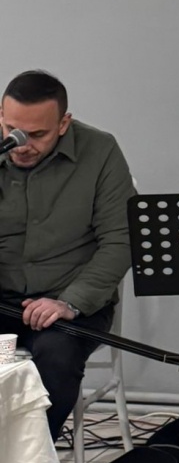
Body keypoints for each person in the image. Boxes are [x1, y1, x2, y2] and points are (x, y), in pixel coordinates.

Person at [0, 69, 136, 442]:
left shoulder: (100, 151)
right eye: (12, 130)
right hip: (4, 301)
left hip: (68, 305)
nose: (21, 144)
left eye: (37, 135)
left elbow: (121, 239)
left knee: (57, 357)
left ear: (63, 124)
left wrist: (69, 302)